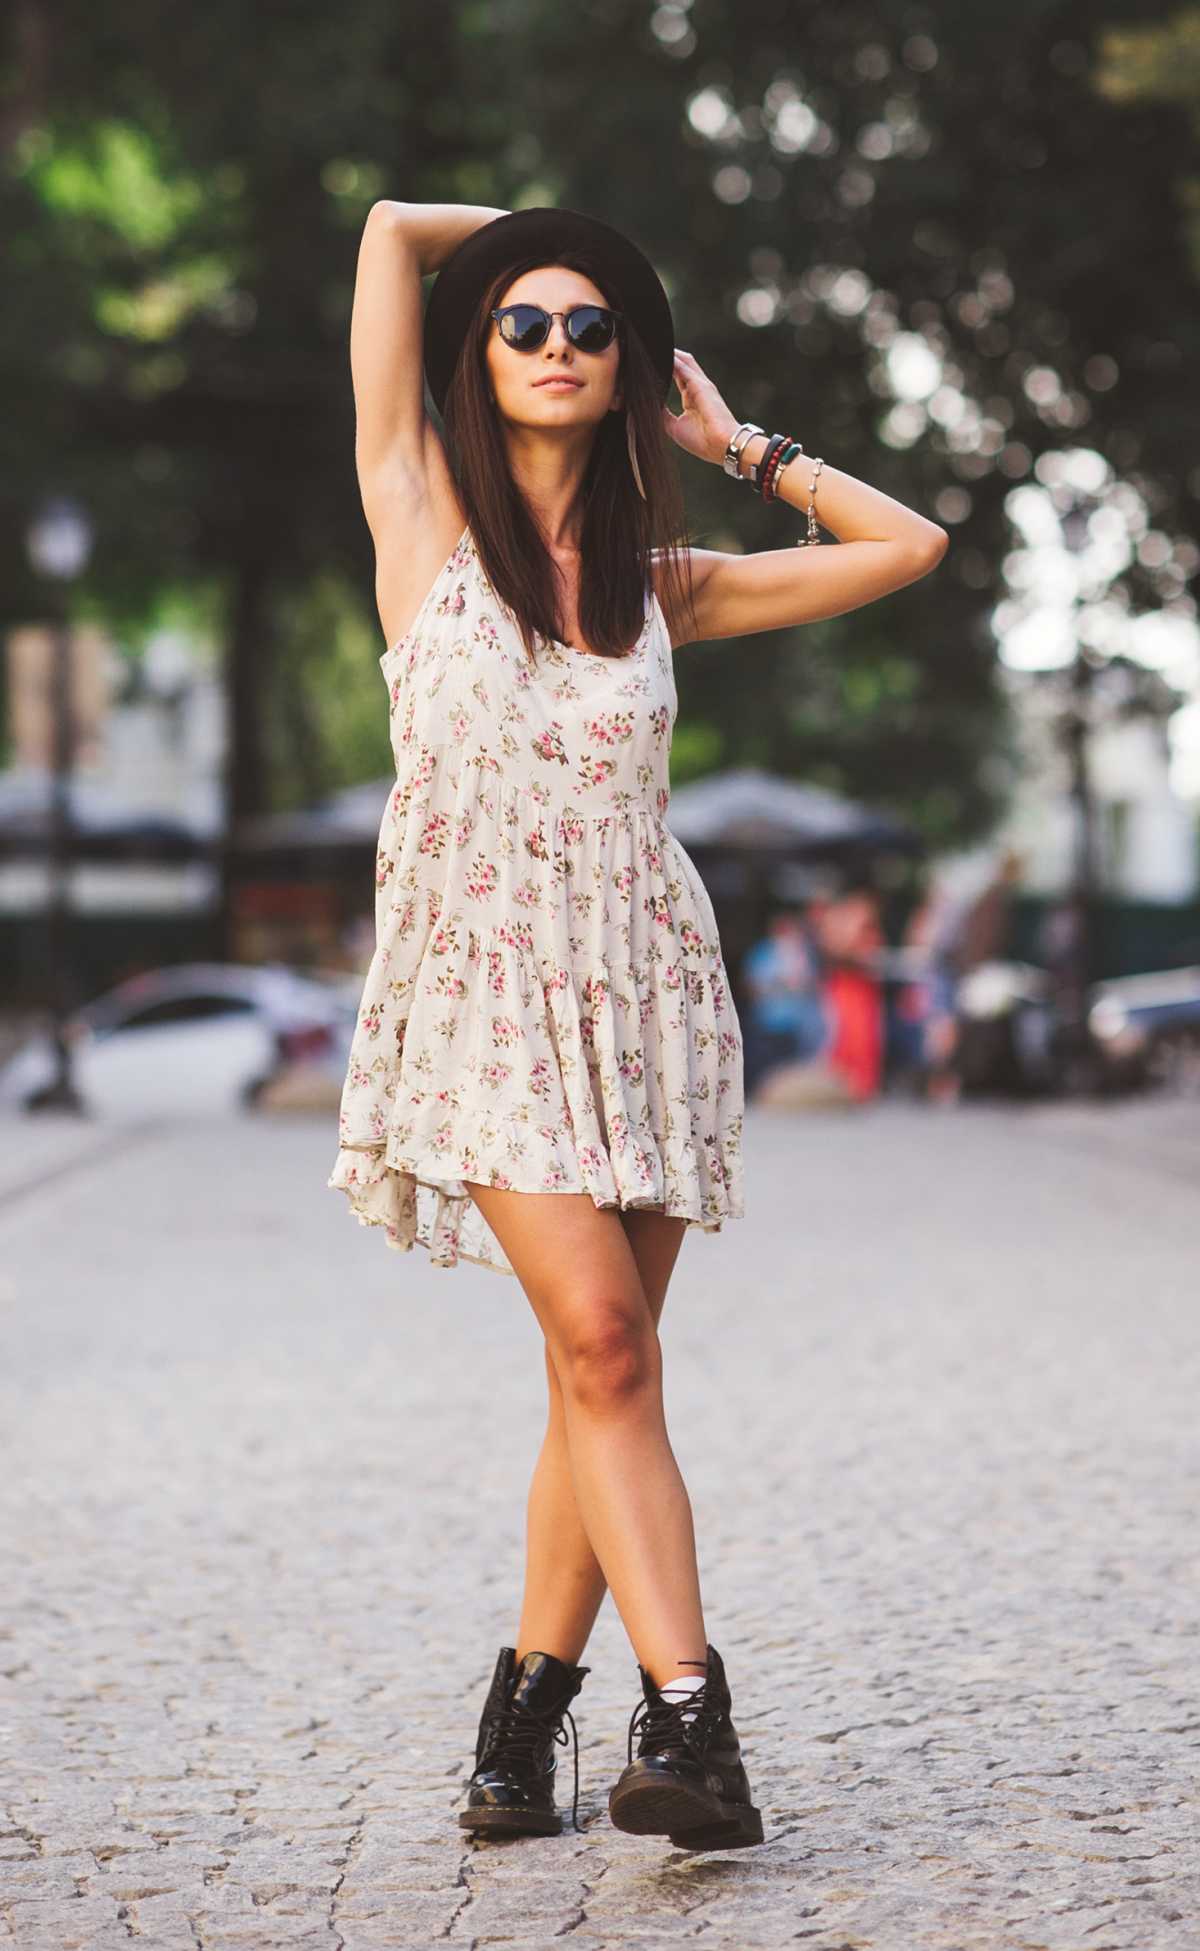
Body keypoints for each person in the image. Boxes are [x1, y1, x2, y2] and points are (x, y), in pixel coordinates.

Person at [326, 198, 949, 1850]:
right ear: (483, 354)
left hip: (648, 994)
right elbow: (392, 231)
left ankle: (519, 1723)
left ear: (626, 372)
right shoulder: (417, 523)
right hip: (486, 996)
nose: (553, 345)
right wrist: (569, 225)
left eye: (589, 326)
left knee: (599, 1374)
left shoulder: (667, 584)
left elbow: (908, 549)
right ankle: (695, 1718)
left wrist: (747, 448)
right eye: (525, 321)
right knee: (602, 1347)